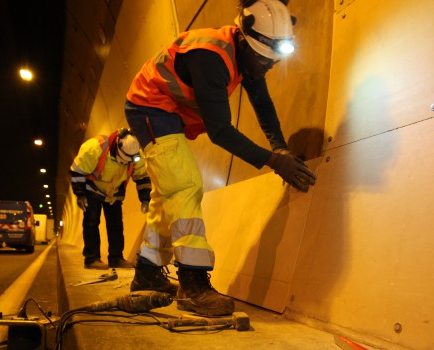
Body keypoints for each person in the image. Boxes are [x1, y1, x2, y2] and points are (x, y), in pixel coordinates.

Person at [124, 0, 317, 316]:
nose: (266, 67)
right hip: (151, 107)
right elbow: (220, 131)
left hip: (168, 111)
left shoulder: (249, 54)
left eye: (272, 62)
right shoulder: (210, 58)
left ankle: (147, 275)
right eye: (263, 61)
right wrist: (272, 161)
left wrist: (280, 147)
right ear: (244, 38)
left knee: (167, 195)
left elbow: (263, 104)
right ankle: (193, 285)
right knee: (186, 186)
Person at [70, 128, 152, 269]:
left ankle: (116, 258)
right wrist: (80, 194)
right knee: (91, 222)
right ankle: (91, 259)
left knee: (116, 225)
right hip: (93, 188)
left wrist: (145, 199)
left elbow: (142, 176)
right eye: (122, 160)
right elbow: (78, 170)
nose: (123, 163)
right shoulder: (95, 147)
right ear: (117, 146)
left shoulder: (135, 153)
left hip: (114, 192)